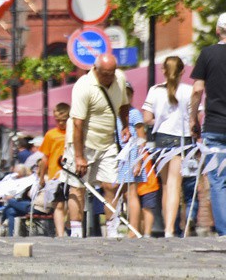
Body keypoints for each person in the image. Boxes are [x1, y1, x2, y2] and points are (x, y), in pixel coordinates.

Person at [60, 53, 130, 238]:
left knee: (112, 185)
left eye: (112, 73)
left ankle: (113, 229)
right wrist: (79, 155)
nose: (109, 77)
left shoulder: (120, 78)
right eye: (105, 73)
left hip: (107, 143)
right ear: (95, 69)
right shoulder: (84, 86)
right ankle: (75, 231)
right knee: (78, 187)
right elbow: (77, 123)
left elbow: (124, 104)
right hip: (84, 142)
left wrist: (125, 125)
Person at [143, 56, 194, 238]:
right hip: (182, 139)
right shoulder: (189, 90)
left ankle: (168, 228)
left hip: (162, 139)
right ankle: (170, 229)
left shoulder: (155, 91)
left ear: (163, 71)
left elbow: (147, 118)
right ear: (183, 71)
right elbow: (194, 118)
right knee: (175, 185)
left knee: (166, 185)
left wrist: (161, 121)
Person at [190, 14, 226, 237]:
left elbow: (196, 91)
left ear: (217, 30)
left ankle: (224, 232)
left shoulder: (207, 54)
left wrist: (193, 119)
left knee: (218, 181)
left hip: (214, 126)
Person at [116, 81, 145, 238]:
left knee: (132, 193)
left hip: (132, 154)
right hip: (121, 154)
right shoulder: (117, 114)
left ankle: (134, 229)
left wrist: (139, 160)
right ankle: (132, 225)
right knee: (125, 193)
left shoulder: (134, 113)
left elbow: (141, 138)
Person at [37, 102, 70, 237]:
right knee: (59, 205)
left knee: (72, 204)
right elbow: (45, 158)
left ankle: (72, 229)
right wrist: (41, 177)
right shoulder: (51, 135)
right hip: (55, 175)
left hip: (71, 174)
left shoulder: (73, 132)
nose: (61, 123)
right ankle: (60, 233)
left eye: (64, 120)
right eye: (58, 120)